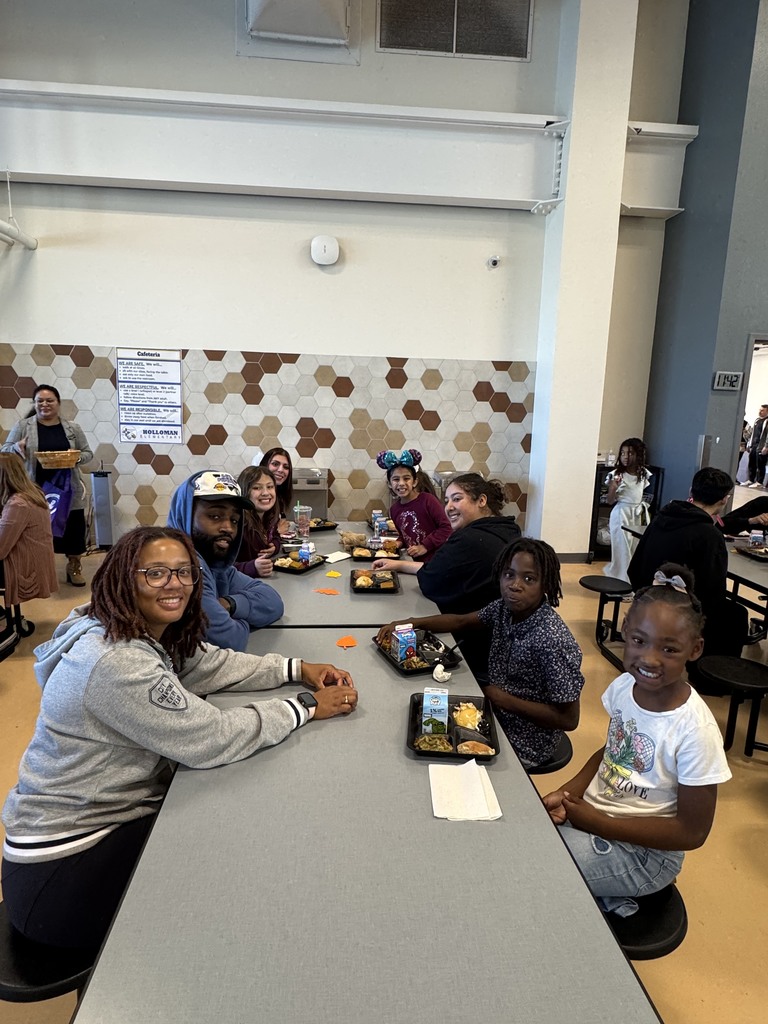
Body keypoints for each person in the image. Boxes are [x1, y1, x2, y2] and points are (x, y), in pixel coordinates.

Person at [0, 525, 358, 950]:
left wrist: (296, 668)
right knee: (233, 852)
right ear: (123, 578)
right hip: (64, 867)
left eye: (184, 572)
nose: (175, 584)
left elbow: (209, 664)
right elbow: (211, 738)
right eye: (155, 573)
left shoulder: (137, 628)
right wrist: (307, 706)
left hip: (94, 827)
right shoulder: (115, 662)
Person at [542, 565, 731, 918]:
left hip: (645, 856)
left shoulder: (695, 731)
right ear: (625, 631)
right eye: (639, 641)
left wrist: (598, 825)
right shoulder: (625, 688)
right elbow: (611, 751)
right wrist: (568, 794)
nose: (649, 658)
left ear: (695, 649)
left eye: (669, 649)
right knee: (529, 841)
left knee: (541, 870)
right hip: (598, 819)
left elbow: (693, 832)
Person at [377, 538, 583, 767]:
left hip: (523, 741)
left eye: (529, 579)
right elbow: (461, 621)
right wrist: (411, 623)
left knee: (429, 759)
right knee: (423, 721)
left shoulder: (553, 641)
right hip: (491, 714)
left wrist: (502, 698)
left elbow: (569, 718)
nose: (515, 585)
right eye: (509, 575)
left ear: (546, 585)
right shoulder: (505, 608)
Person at [373, 473, 521, 678]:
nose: (448, 507)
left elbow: (431, 582)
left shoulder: (469, 539)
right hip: (504, 641)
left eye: (457, 499)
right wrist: (400, 565)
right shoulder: (506, 529)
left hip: (478, 647)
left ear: (482, 501)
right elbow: (437, 568)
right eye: (447, 500)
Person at [628, 466, 746, 664]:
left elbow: (635, 564)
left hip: (646, 592)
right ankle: (710, 673)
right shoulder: (709, 534)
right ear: (724, 499)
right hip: (680, 605)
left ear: (691, 491)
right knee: (736, 615)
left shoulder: (662, 517)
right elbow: (713, 589)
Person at [167, 471, 283, 651]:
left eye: (235, 520)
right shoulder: (184, 568)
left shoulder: (215, 565)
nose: (228, 528)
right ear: (186, 514)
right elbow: (229, 641)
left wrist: (229, 604)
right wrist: (242, 619)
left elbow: (274, 603)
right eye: (215, 516)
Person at [1, 384, 93, 587]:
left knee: (73, 529)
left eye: (49, 400)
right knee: (37, 531)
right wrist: (16, 447)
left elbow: (87, 453)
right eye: (40, 401)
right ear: (34, 404)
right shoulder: (23, 426)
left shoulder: (72, 428)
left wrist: (74, 459)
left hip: (68, 489)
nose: (45, 404)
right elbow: (5, 450)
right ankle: (36, 570)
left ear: (58, 403)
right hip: (35, 489)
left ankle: (74, 566)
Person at [0, 453, 58, 635]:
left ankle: (4, 623)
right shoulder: (32, 493)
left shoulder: (18, 504)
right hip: (30, 563)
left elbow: (0, 549)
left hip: (20, 568)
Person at [376, 448, 451, 562]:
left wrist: (425, 546)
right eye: (396, 479)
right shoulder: (394, 510)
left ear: (415, 482)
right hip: (415, 563)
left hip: (438, 561)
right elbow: (405, 534)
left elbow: (446, 528)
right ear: (390, 484)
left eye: (406, 478)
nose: (401, 483)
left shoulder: (428, 500)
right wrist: (398, 542)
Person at [602, 438, 650, 584]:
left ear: (639, 455)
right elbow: (610, 501)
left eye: (630, 453)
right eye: (622, 453)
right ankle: (622, 581)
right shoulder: (615, 474)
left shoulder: (643, 473)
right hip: (621, 513)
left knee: (636, 547)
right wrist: (613, 488)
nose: (625, 456)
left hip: (638, 513)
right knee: (622, 548)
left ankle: (634, 580)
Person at [234, 465, 281, 578]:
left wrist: (275, 546)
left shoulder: (269, 517)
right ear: (245, 492)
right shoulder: (237, 525)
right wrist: (251, 567)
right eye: (257, 488)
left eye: (270, 487)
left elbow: (275, 536)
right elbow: (219, 567)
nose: (265, 493)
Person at [259, 447, 295, 535]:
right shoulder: (256, 495)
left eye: (286, 467)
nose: (281, 470)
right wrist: (276, 532)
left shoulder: (279, 495)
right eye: (275, 464)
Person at [745, 404, 768, 487]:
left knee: (760, 464)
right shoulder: (757, 420)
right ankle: (751, 480)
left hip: (761, 446)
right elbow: (752, 434)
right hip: (754, 445)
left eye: (762, 410)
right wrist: (749, 444)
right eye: (759, 410)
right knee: (752, 463)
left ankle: (759, 482)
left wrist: (766, 446)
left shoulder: (767, 421)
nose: (760, 412)